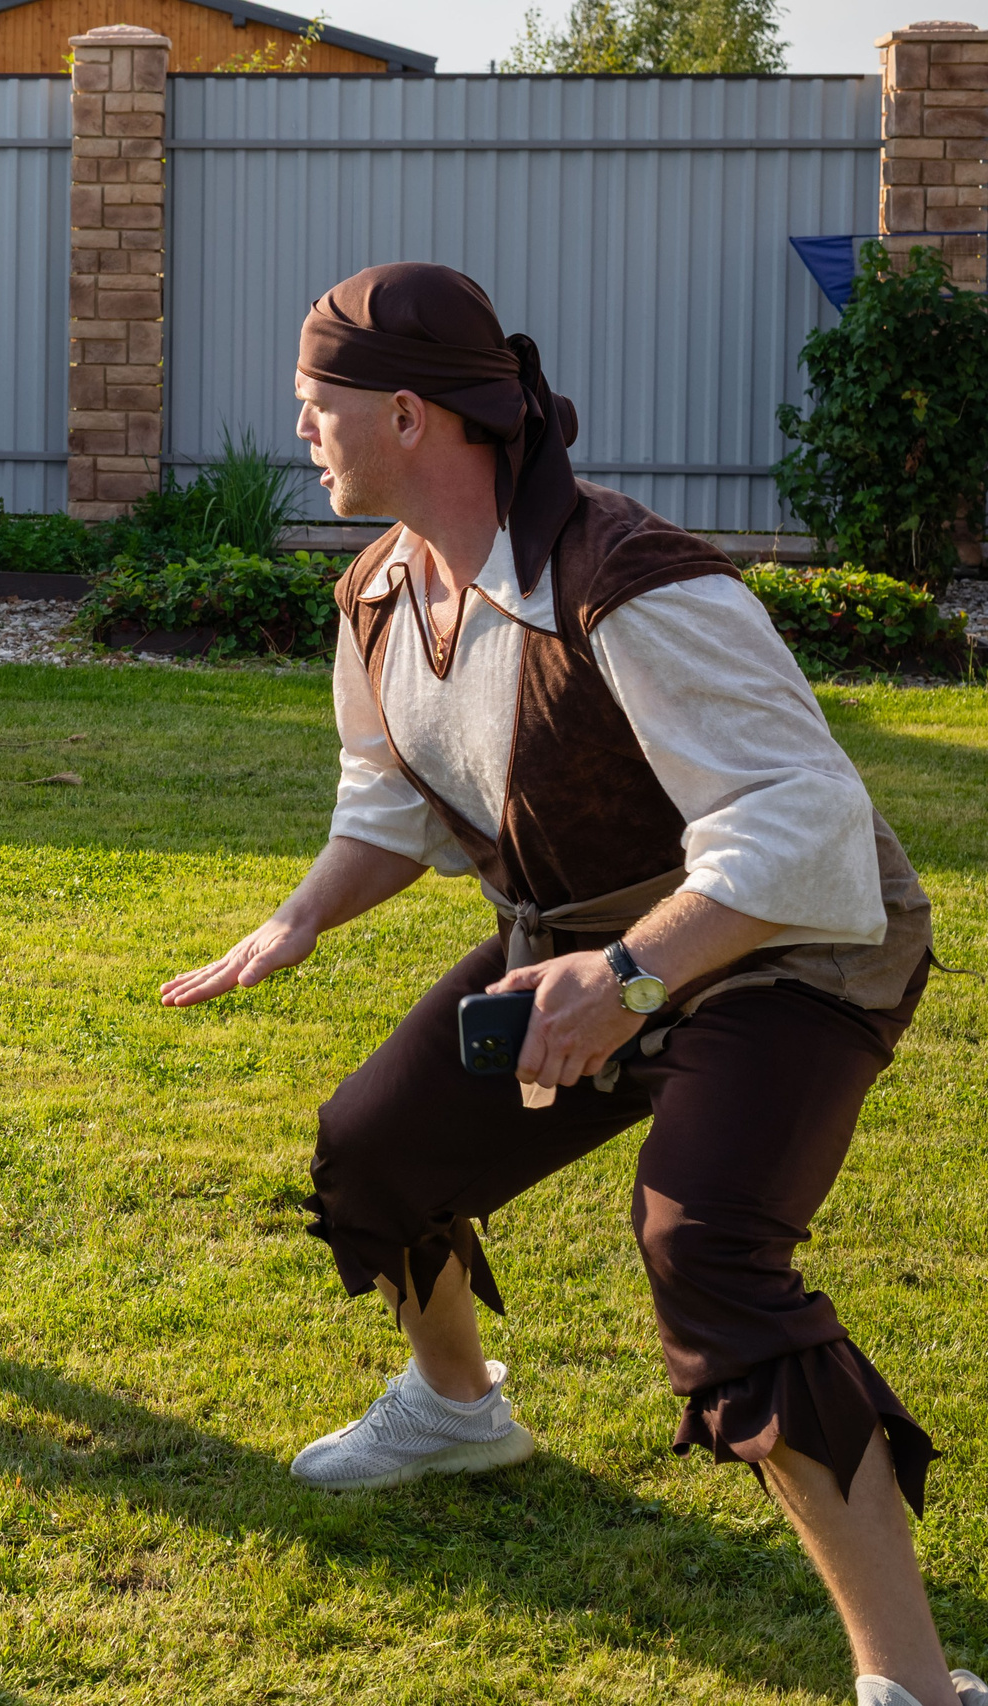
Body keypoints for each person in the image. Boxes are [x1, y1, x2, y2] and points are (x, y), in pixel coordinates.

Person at [160, 264, 980, 1706]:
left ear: (407, 412)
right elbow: (392, 806)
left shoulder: (631, 579)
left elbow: (802, 823)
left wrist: (629, 981)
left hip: (792, 946)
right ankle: (458, 1410)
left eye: (316, 407)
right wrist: (298, 920)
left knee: (710, 1247)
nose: (301, 431)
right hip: (590, 946)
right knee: (375, 1149)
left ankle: (911, 1684)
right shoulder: (377, 589)